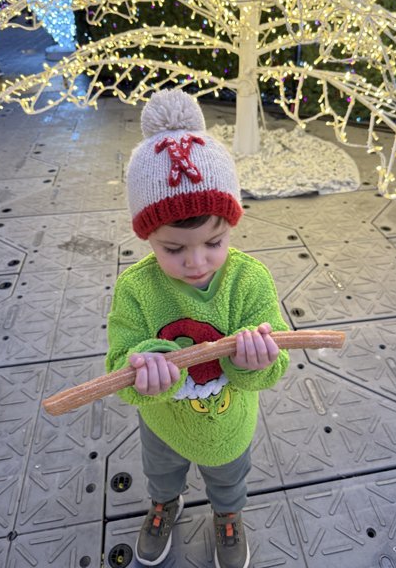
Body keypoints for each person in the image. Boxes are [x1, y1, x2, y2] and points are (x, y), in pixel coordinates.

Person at [106, 88, 290, 568]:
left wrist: (257, 363)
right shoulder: (135, 290)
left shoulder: (249, 280)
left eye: (214, 241)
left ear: (231, 225)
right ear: (146, 235)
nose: (196, 262)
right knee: (161, 471)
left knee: (230, 476)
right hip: (164, 420)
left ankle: (228, 515)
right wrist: (140, 366)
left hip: (229, 422)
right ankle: (165, 504)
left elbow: (277, 365)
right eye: (173, 249)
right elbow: (117, 362)